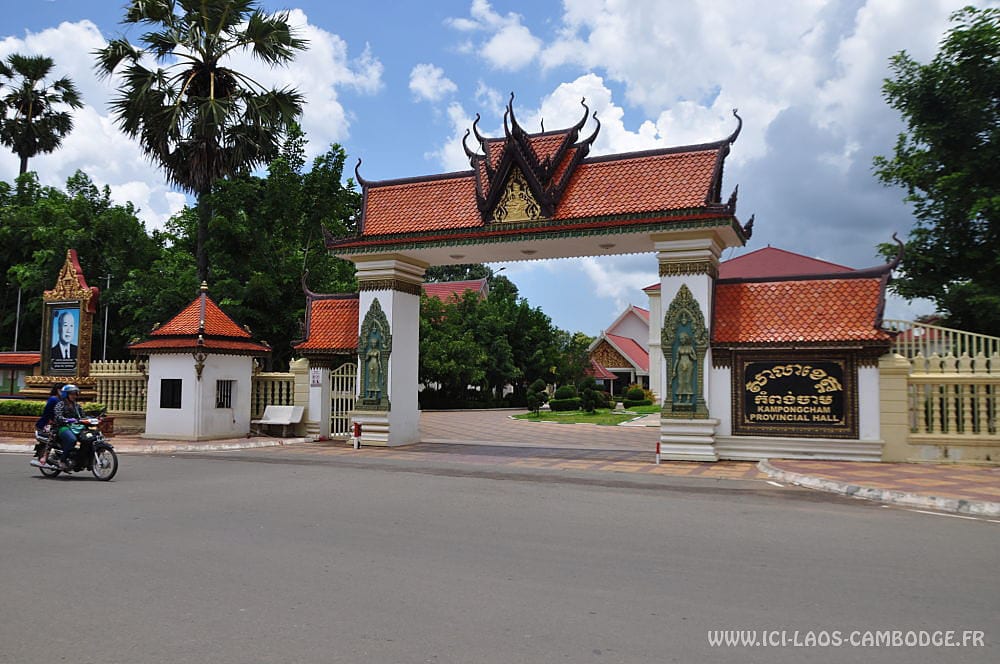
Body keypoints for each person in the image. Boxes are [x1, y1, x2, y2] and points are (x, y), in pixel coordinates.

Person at [52, 384, 85, 470]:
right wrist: (67, 419)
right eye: (71, 394)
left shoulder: (77, 406)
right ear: (66, 394)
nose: (74, 396)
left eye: (75, 394)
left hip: (76, 427)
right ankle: (62, 460)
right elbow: (58, 416)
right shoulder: (60, 405)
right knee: (72, 439)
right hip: (63, 427)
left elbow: (83, 416)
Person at [34, 385, 62, 467]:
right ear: (57, 390)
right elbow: (47, 412)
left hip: (59, 423)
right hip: (48, 424)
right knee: (52, 437)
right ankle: (45, 456)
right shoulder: (53, 399)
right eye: (61, 389)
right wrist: (50, 420)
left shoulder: (63, 400)